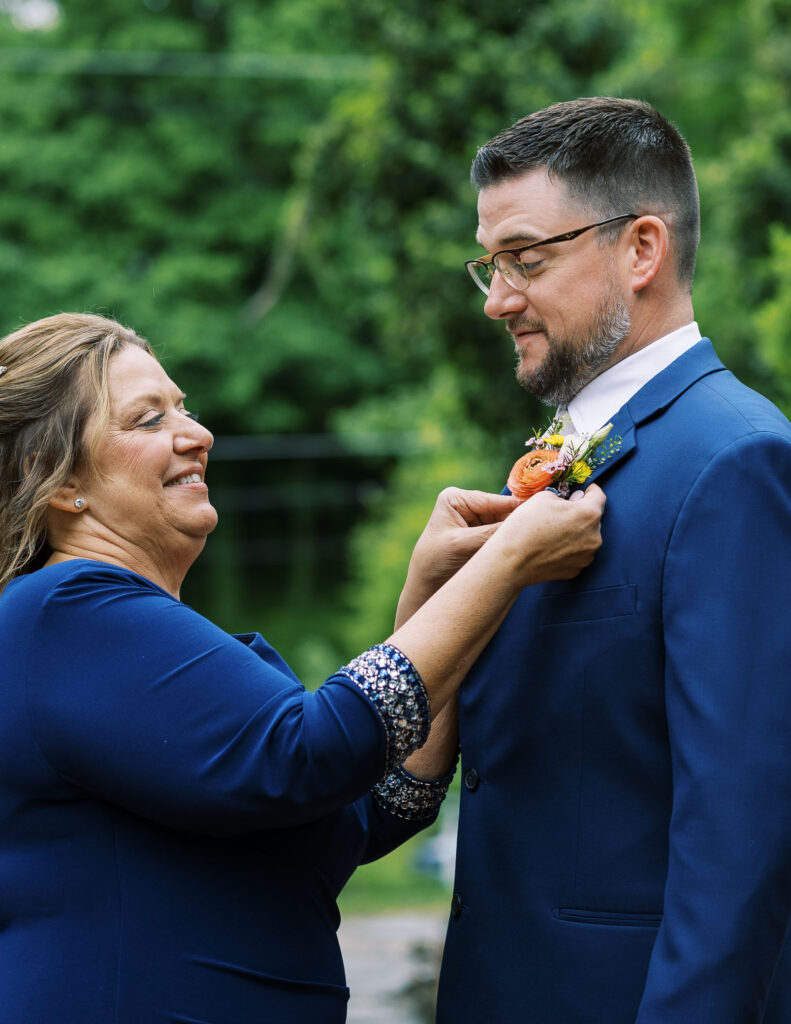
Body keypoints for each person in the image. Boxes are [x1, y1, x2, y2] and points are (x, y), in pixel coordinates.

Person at [0, 312, 604, 1023]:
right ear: (61, 482)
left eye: (183, 406)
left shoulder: (123, 635)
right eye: (146, 419)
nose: (196, 434)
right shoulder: (64, 612)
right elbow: (306, 753)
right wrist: (506, 563)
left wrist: (430, 588)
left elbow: (364, 811)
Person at [437, 97, 791, 1024]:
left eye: (527, 259)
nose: (497, 298)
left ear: (640, 249)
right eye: (490, 264)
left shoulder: (734, 458)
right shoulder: (565, 455)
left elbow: (740, 830)